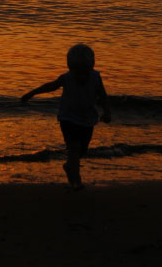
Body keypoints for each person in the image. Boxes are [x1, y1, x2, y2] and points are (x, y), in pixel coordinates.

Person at [21, 43, 111, 189]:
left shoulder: (95, 77)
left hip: (88, 120)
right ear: (71, 68)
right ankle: (77, 182)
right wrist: (31, 93)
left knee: (81, 151)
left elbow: (103, 95)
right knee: (74, 148)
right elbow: (50, 86)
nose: (81, 75)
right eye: (77, 72)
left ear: (91, 67)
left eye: (85, 71)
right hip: (68, 118)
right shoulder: (67, 78)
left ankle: (70, 167)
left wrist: (107, 112)